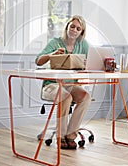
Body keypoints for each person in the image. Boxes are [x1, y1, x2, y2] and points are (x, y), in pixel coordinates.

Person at [35, 15, 92, 149]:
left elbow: (91, 62)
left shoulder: (83, 45)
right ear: (67, 27)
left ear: (81, 33)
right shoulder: (55, 42)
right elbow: (38, 60)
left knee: (86, 97)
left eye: (78, 28)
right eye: (72, 26)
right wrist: (52, 54)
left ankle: (71, 135)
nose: (74, 30)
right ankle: (60, 136)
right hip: (52, 85)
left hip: (70, 85)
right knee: (65, 96)